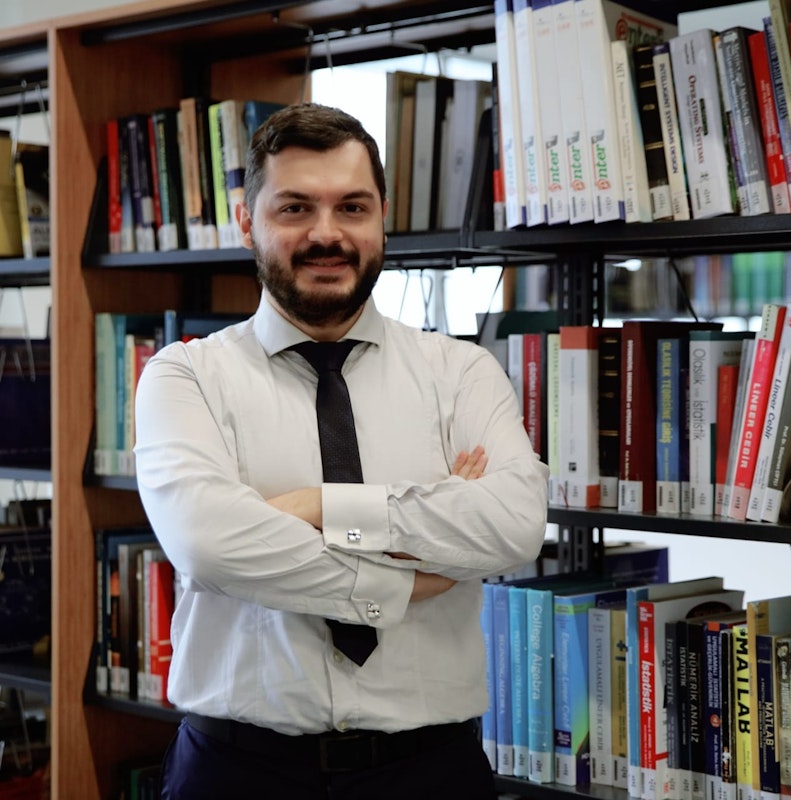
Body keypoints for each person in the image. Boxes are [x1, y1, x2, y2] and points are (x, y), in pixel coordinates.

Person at [134, 101, 549, 800]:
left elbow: (512, 527)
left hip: (432, 774)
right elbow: (209, 544)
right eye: (295, 208)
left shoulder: (461, 372)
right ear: (247, 220)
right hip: (236, 773)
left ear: (382, 216)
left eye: (352, 208)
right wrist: (404, 577)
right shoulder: (187, 377)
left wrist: (315, 508)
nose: (326, 234)